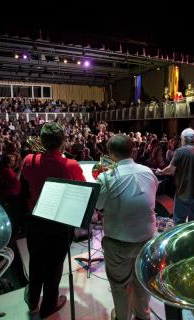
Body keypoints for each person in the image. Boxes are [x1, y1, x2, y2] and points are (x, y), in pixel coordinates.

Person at [21, 122, 86, 318]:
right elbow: (82, 188)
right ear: (63, 142)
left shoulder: (28, 160)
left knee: (36, 261)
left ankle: (33, 300)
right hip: (59, 222)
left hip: (35, 220)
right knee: (54, 265)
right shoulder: (70, 165)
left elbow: (23, 183)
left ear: (41, 141)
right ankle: (49, 305)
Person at [95, 134, 157, 320]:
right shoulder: (148, 171)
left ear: (111, 154)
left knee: (119, 284)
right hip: (147, 239)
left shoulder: (106, 177)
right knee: (142, 280)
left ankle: (122, 317)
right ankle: (142, 315)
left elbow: (98, 205)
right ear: (133, 150)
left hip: (118, 243)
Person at [156, 128, 194, 225]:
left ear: (184, 139)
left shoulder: (180, 151)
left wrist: (161, 172)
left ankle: (180, 239)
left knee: (179, 221)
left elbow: (171, 169)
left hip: (185, 192)